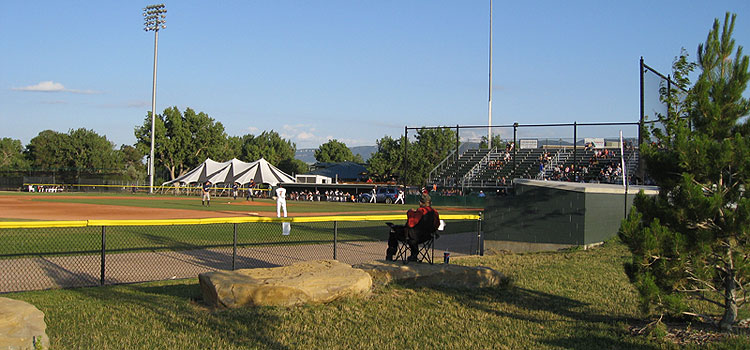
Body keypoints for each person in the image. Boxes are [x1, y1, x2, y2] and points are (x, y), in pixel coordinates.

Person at [385, 190, 440, 262]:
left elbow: (411, 224)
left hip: (414, 238)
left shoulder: (421, 211)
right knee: (412, 233)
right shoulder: (434, 212)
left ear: (421, 202)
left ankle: (390, 255)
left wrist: (410, 212)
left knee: (393, 231)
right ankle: (414, 255)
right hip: (428, 237)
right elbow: (437, 225)